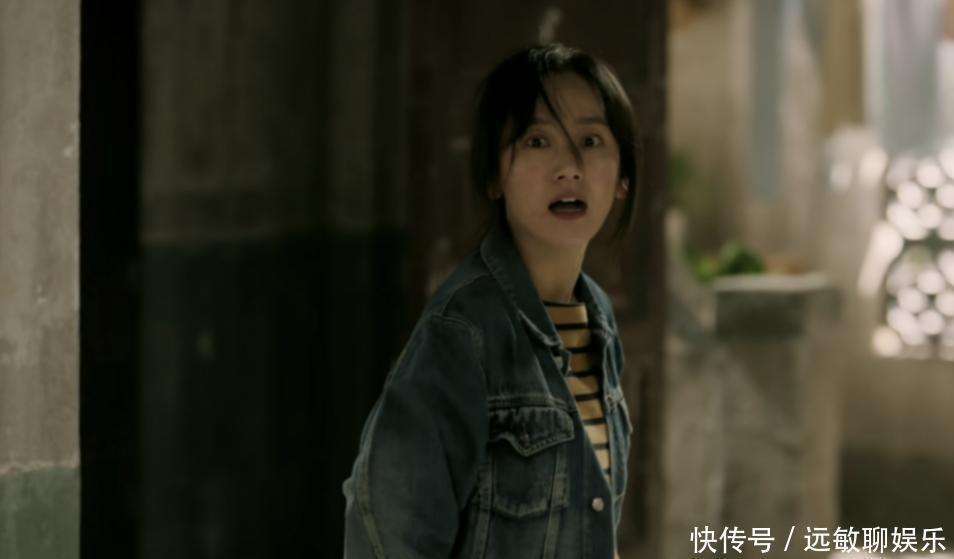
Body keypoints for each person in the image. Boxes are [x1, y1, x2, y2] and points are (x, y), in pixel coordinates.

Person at [342, 43, 637, 559]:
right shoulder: (463, 332)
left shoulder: (598, 319)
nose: (569, 167)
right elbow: (388, 536)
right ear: (494, 176)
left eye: (591, 141)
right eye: (538, 141)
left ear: (622, 181)